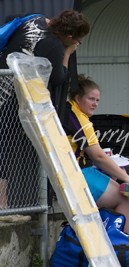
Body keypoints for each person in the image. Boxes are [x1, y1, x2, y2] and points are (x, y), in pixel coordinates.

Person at [0, 9, 90, 209]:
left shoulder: (35, 20)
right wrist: (67, 53)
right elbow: (58, 78)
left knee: (2, 154)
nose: (76, 44)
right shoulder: (54, 45)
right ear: (69, 36)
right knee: (12, 159)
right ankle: (9, 205)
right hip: (14, 102)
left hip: (2, 88)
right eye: (77, 41)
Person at [62, 74, 129, 237]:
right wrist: (126, 178)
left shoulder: (68, 109)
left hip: (75, 170)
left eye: (97, 100)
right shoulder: (81, 121)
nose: (95, 104)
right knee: (123, 197)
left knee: (112, 180)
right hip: (78, 174)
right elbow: (98, 156)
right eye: (91, 99)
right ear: (78, 98)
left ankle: (114, 238)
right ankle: (128, 245)